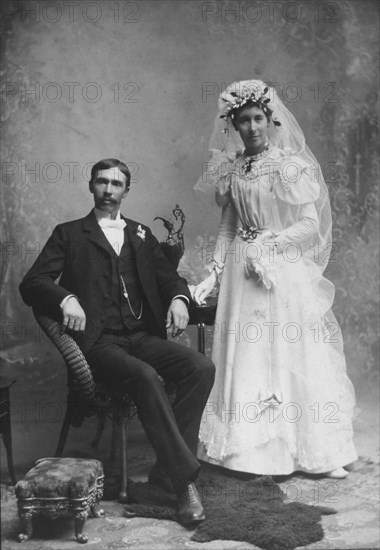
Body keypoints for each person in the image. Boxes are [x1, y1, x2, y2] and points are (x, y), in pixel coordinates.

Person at [19, 158, 215, 525]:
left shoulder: (141, 235)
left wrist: (178, 299)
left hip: (141, 335)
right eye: (102, 183)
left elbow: (169, 278)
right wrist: (65, 298)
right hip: (100, 343)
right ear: (91, 186)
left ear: (127, 191)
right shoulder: (69, 234)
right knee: (144, 376)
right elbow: (32, 283)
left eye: (116, 185)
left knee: (200, 367)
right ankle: (184, 482)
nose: (109, 191)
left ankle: (165, 465)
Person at [193, 80, 357, 478]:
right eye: (243, 120)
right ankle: (245, 451)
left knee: (290, 355)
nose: (251, 127)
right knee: (244, 357)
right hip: (239, 273)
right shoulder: (231, 169)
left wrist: (272, 243)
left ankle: (312, 451)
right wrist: (212, 274)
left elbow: (308, 223)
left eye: (257, 118)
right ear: (232, 125)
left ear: (270, 120)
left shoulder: (287, 165)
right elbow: (228, 227)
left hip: (278, 269)